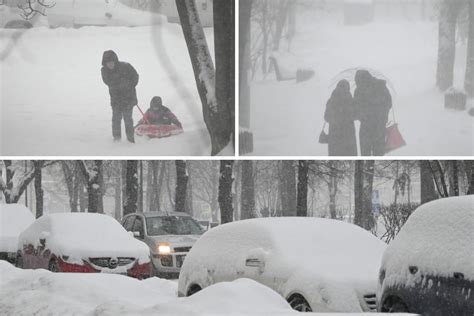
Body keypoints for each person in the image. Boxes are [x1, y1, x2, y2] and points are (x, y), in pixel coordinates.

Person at [101, 50, 139, 143]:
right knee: (116, 120)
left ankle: (130, 139)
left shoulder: (126, 66)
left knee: (128, 120)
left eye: (111, 62)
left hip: (128, 99)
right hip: (116, 99)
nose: (110, 65)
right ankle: (117, 139)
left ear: (115, 61)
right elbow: (108, 81)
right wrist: (120, 83)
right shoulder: (104, 71)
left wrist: (129, 84)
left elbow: (135, 77)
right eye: (107, 63)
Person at [353, 69, 392, 156]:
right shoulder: (381, 86)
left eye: (357, 80)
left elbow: (355, 109)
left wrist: (361, 115)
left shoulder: (358, 90)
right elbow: (389, 103)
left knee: (366, 153)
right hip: (379, 126)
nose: (357, 83)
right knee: (378, 152)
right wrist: (382, 114)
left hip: (367, 126)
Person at [324, 79, 357, 156]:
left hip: (334, 136)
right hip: (348, 136)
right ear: (348, 88)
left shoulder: (331, 100)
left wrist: (335, 119)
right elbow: (355, 115)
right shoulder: (350, 100)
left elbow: (326, 117)